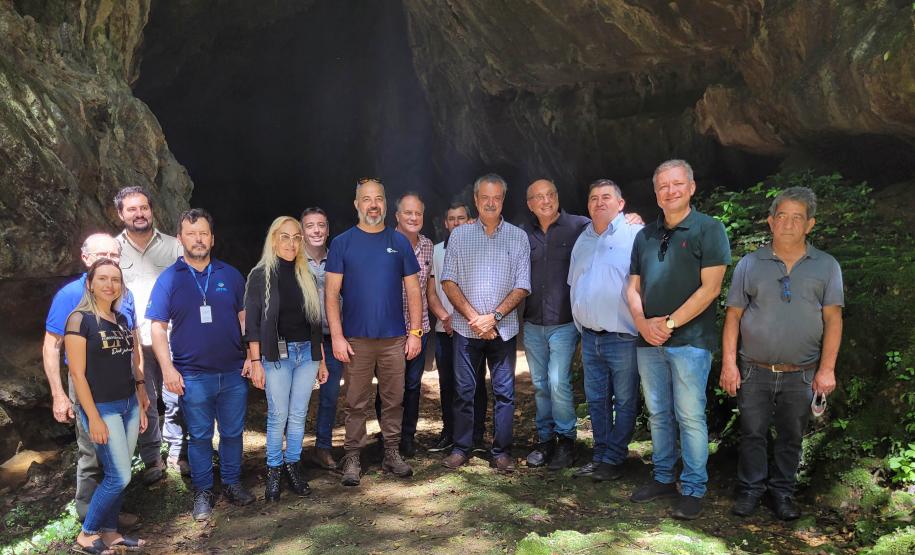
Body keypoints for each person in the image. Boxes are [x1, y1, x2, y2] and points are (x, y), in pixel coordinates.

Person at [720, 187, 842, 520]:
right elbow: (733, 315)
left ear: (810, 224)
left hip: (802, 371)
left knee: (791, 436)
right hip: (753, 369)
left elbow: (833, 319)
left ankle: (783, 494)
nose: (788, 224)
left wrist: (826, 369)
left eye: (797, 217)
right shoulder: (749, 263)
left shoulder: (826, 266)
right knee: (753, 432)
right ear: (771, 221)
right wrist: (729, 364)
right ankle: (750, 490)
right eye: (782, 216)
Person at [626, 159, 731, 520]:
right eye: (662, 187)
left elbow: (711, 287)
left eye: (676, 184)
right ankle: (662, 475)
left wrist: (667, 324)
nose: (669, 191)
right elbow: (632, 286)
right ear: (656, 194)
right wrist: (642, 322)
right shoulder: (645, 236)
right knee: (657, 413)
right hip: (648, 341)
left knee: (689, 415)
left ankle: (693, 487)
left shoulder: (709, 229)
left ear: (691, 187)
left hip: (690, 340)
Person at [147, 208, 255, 521]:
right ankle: (204, 491)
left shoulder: (230, 275)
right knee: (200, 436)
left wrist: (250, 355)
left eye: (204, 233)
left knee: (234, 433)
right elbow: (157, 327)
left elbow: (244, 318)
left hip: (233, 371)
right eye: (191, 234)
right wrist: (167, 369)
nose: (198, 239)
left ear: (212, 238)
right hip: (192, 375)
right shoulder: (169, 279)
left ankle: (233, 483)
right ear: (180, 238)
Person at [324, 178, 423, 486]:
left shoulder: (399, 242)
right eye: (366, 199)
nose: (373, 204)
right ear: (357, 204)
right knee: (356, 401)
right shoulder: (342, 243)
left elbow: (414, 290)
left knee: (394, 399)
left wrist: (416, 333)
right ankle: (352, 456)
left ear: (384, 202)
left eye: (378, 198)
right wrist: (338, 336)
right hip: (355, 340)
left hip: (394, 338)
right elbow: (330, 295)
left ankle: (391, 452)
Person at [43, 233, 140, 526]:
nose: (109, 262)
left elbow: (133, 343)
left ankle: (109, 520)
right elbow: (52, 345)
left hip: (124, 387)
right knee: (92, 454)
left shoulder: (124, 295)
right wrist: (59, 395)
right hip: (89, 385)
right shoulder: (71, 296)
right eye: (102, 256)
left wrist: (142, 388)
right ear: (86, 261)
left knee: (119, 458)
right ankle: (89, 518)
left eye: (114, 256)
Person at [441, 173, 531, 473]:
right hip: (467, 330)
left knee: (504, 393)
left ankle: (501, 451)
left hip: (502, 330)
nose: (490, 203)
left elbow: (522, 285)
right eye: (485, 197)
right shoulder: (460, 236)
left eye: (497, 197)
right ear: (476, 200)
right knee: (465, 391)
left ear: (502, 200)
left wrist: (492, 318)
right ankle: (462, 447)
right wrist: (473, 318)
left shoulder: (518, 237)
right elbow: (448, 280)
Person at [65, 258, 148, 553]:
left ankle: (111, 532)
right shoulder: (79, 320)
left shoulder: (122, 319)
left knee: (121, 475)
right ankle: (86, 534)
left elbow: (129, 362)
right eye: (103, 278)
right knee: (119, 475)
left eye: (115, 279)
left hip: (128, 403)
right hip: (102, 407)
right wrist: (93, 417)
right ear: (90, 283)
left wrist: (140, 394)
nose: (110, 284)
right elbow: (77, 374)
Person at [245, 216, 328, 502]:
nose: (291, 243)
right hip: (275, 356)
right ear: (273, 239)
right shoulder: (260, 275)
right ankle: (273, 470)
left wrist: (322, 359)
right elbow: (253, 325)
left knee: (298, 414)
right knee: (278, 415)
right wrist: (255, 362)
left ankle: (293, 465)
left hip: (307, 354)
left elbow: (316, 323)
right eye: (285, 236)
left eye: (296, 237)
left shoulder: (308, 275)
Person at [568, 180, 643, 481]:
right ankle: (600, 456)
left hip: (623, 336)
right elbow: (574, 285)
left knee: (625, 400)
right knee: (596, 399)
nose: (599, 202)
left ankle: (614, 458)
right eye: (593, 198)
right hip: (590, 337)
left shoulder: (636, 235)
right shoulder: (582, 240)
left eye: (607, 197)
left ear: (621, 204)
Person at [113, 186, 187, 483]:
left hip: (172, 338)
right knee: (145, 398)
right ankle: (152, 458)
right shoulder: (113, 252)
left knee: (176, 397)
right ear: (120, 214)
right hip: (134, 341)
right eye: (131, 209)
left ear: (152, 210)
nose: (139, 214)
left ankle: (178, 453)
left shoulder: (174, 247)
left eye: (143, 207)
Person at [519, 179, 590, 470]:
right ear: (530, 204)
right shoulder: (523, 235)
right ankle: (545, 441)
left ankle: (566, 441)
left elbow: (606, 228)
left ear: (557, 197)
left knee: (558, 381)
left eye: (550, 195)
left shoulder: (579, 227)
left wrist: (630, 219)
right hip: (534, 322)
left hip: (564, 321)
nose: (545, 201)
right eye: (538, 197)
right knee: (539, 384)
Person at [371, 192, 435, 457]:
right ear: (396, 216)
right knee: (387, 387)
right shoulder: (381, 242)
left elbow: (426, 290)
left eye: (418, 213)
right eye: (407, 213)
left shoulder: (428, 246)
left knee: (412, 385)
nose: (413, 217)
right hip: (388, 331)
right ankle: (388, 437)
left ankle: (406, 437)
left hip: (417, 329)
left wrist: (417, 332)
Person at [427, 202, 489, 453]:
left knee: (476, 384)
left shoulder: (480, 249)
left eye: (461, 218)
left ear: (469, 220)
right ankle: (450, 432)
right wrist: (446, 318)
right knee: (448, 384)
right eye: (451, 219)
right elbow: (431, 293)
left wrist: (468, 318)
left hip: (474, 328)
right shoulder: (437, 251)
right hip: (446, 330)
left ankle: (476, 435)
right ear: (445, 223)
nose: (455, 223)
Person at [301, 207, 346, 471]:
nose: (316, 230)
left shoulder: (337, 260)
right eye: (310, 226)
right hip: (302, 340)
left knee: (329, 395)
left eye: (321, 225)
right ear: (302, 230)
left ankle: (323, 447)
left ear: (328, 230)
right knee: (299, 397)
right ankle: (290, 453)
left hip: (332, 337)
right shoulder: (294, 261)